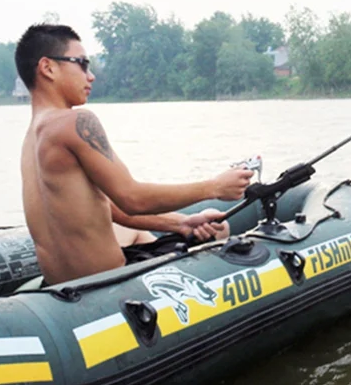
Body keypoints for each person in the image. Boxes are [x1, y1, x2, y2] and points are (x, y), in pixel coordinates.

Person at [14, 23, 254, 285]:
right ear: (48, 68)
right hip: (107, 285)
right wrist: (215, 187)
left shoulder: (31, 139)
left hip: (60, 288)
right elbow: (132, 199)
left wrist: (182, 223)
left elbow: (112, 207)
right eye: (82, 64)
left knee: (137, 234)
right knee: (221, 230)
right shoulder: (74, 122)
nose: (91, 76)